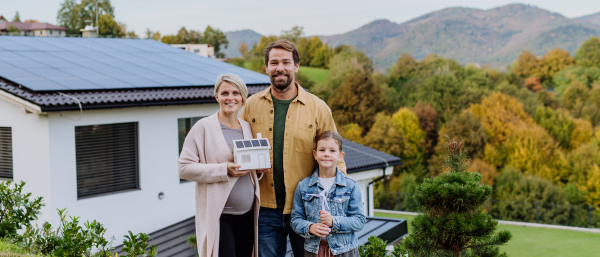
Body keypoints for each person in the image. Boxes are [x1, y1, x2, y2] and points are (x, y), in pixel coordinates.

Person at [240, 39, 346, 257]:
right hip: (265, 210)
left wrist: (342, 200)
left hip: (309, 210)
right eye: (274, 62)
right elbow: (239, 148)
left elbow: (334, 155)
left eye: (286, 62)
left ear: (296, 66)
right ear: (266, 67)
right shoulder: (251, 105)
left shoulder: (318, 108)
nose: (280, 68)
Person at [178, 73, 262, 257]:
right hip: (219, 216)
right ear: (216, 96)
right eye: (225, 93)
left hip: (248, 215)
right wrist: (224, 170)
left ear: (242, 97)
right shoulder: (203, 127)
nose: (230, 98)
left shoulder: (247, 127)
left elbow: (248, 166)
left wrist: (259, 171)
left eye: (235, 93)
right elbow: (184, 168)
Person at [291, 131, 365, 257]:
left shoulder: (351, 186)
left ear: (340, 156)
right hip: (314, 250)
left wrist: (333, 221)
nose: (326, 154)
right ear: (315, 154)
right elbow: (295, 219)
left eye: (332, 151)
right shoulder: (303, 186)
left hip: (344, 250)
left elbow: (359, 221)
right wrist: (310, 227)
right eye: (322, 150)